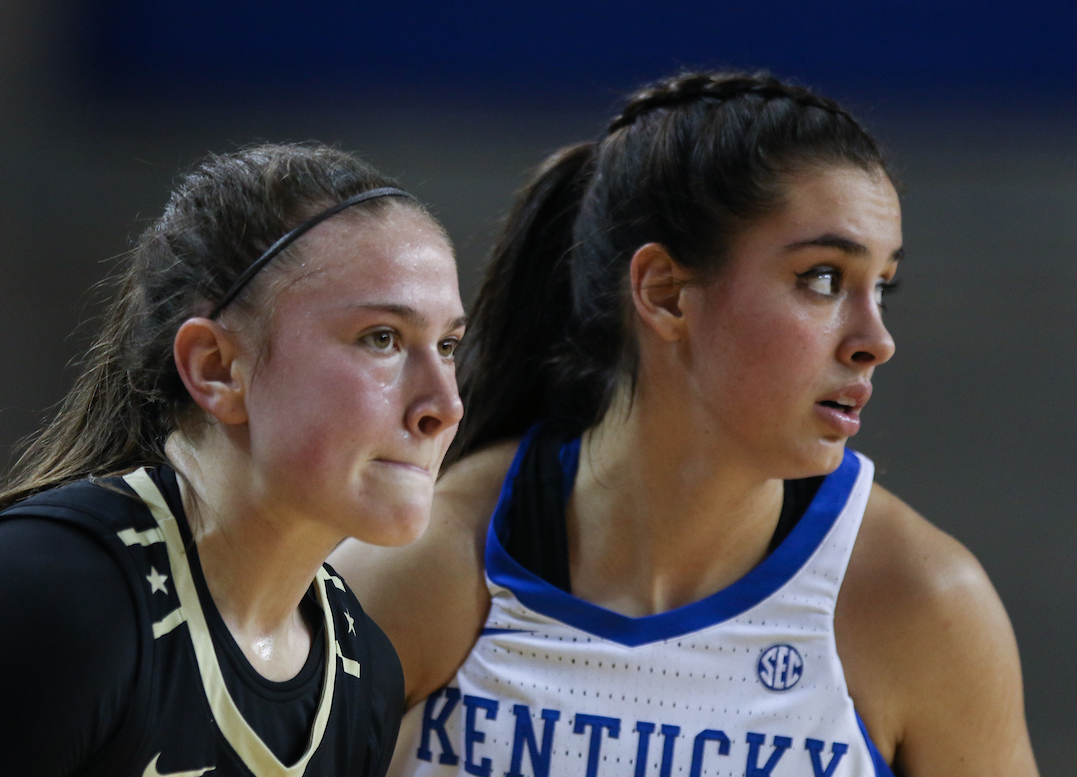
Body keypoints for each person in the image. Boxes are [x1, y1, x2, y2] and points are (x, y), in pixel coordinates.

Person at [332, 72, 1038, 776]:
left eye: (882, 286)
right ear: (665, 294)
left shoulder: (923, 607)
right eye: (823, 278)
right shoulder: (422, 569)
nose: (875, 340)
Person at [0, 143, 466, 777]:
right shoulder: (52, 599)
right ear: (217, 369)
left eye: (450, 345)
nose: (444, 405)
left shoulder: (360, 668)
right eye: (382, 339)